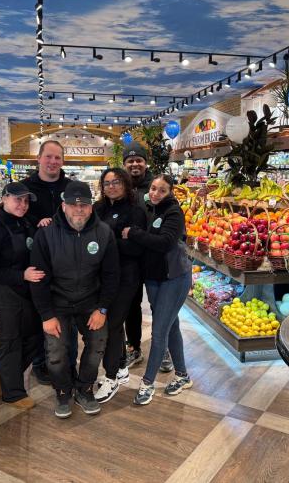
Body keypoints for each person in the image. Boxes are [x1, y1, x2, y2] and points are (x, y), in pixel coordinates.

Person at [30, 181, 120, 418]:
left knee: (97, 344)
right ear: (63, 206)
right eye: (73, 204)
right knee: (56, 353)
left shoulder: (103, 233)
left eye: (84, 205)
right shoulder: (46, 234)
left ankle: (84, 388)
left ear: (91, 207)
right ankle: (62, 391)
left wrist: (102, 309)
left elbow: (111, 275)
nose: (78, 209)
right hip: (56, 303)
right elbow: (37, 278)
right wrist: (46, 316)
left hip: (90, 301)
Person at [122, 174, 193, 405]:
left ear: (170, 192)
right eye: (153, 188)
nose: (155, 193)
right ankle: (182, 376)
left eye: (161, 190)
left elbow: (164, 243)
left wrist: (133, 233)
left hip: (174, 278)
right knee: (171, 326)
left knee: (159, 331)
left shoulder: (173, 212)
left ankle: (147, 383)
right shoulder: (149, 209)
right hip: (154, 279)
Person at [0, 182, 45, 410]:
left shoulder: (26, 224)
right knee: (11, 340)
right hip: (2, 292)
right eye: (18, 199)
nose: (23, 205)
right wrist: (21, 275)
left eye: (26, 201)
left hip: (24, 291)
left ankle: (2, 370)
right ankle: (13, 393)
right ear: (4, 198)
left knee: (36, 336)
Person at [20, 140, 75, 384]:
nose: (53, 162)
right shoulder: (25, 187)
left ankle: (68, 361)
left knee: (65, 313)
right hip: (36, 259)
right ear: (39, 158)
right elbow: (18, 216)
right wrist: (37, 225)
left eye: (57, 158)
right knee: (39, 313)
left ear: (63, 161)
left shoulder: (71, 186)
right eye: (48, 157)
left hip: (67, 261)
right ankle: (41, 363)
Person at [93, 168, 146, 403]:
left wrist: (105, 243)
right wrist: (118, 240)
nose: (111, 186)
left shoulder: (136, 211)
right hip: (103, 276)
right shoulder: (98, 209)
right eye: (107, 183)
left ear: (125, 183)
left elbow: (136, 248)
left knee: (113, 323)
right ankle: (121, 365)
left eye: (116, 182)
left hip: (127, 276)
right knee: (113, 324)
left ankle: (112, 376)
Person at [123, 142, 173, 373]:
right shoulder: (120, 186)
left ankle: (164, 350)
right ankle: (134, 348)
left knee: (160, 307)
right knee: (131, 305)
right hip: (130, 260)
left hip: (155, 259)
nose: (135, 164)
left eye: (138, 160)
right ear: (125, 164)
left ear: (145, 162)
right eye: (130, 161)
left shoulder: (157, 185)